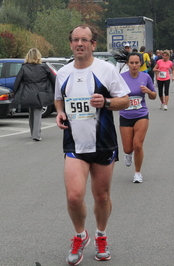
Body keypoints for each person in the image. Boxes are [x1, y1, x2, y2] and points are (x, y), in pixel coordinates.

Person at [54, 24, 130, 265]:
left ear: (93, 44)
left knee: (101, 197)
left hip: (104, 143)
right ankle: (80, 235)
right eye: (75, 39)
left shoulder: (106, 70)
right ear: (70, 44)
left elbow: (125, 101)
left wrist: (106, 102)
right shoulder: (64, 73)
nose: (79, 44)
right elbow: (59, 99)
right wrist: (59, 113)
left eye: (84, 40)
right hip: (74, 144)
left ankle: (101, 235)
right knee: (74, 197)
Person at [120, 53, 156, 183]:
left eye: (136, 63)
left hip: (141, 114)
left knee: (138, 145)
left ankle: (137, 172)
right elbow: (114, 95)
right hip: (125, 115)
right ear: (127, 64)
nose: (134, 65)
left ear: (140, 63)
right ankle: (128, 154)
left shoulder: (146, 77)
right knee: (128, 148)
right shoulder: (121, 78)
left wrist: (148, 91)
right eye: (132, 63)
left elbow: (154, 96)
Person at [11, 48, 56, 141]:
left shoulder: (24, 67)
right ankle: (36, 135)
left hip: (28, 93)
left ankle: (32, 132)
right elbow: (53, 80)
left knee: (31, 113)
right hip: (41, 93)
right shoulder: (44, 67)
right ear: (38, 56)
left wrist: (14, 92)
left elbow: (17, 81)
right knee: (37, 114)